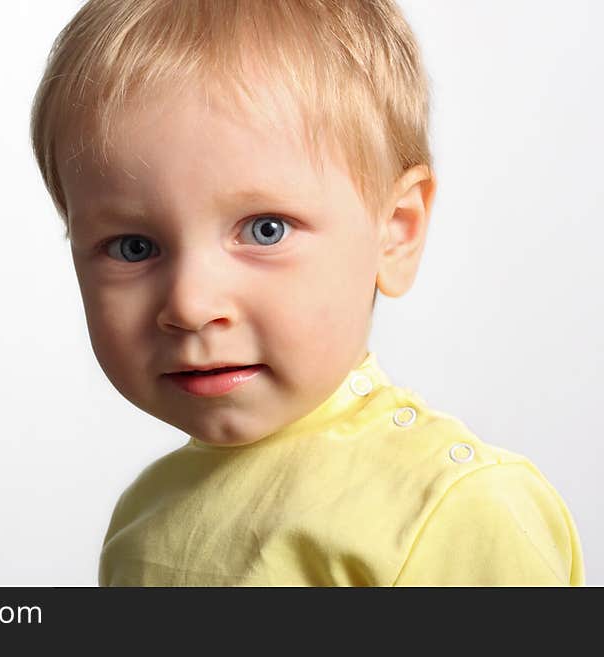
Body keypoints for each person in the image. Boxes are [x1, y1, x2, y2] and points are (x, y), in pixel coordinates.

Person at [29, 0, 584, 586]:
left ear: (394, 231)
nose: (190, 306)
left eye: (265, 230)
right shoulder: (143, 515)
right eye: (133, 247)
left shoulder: (451, 509)